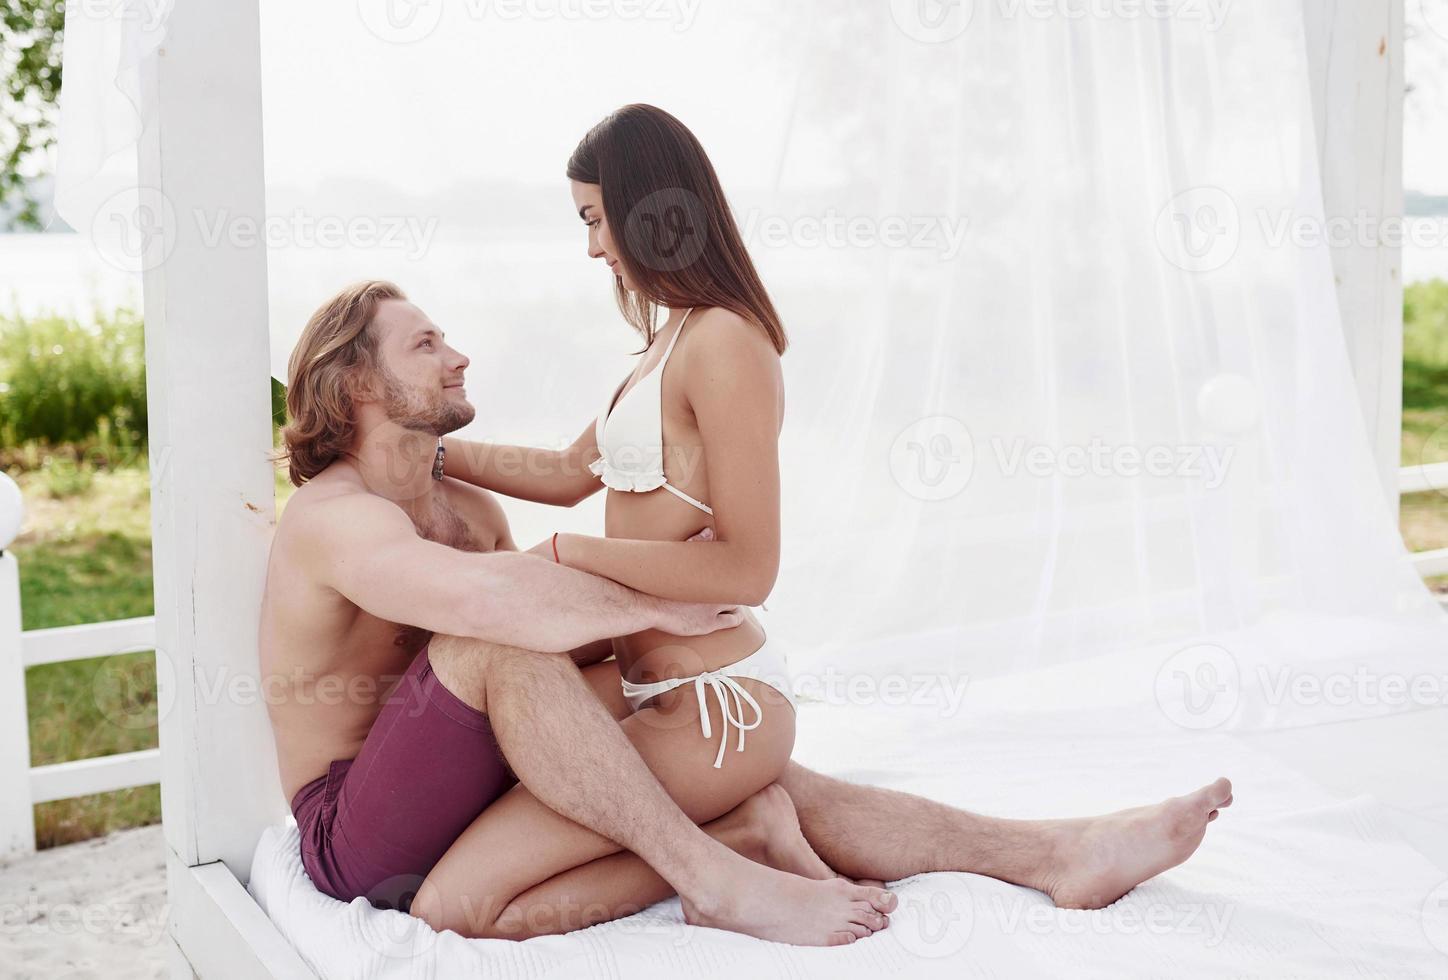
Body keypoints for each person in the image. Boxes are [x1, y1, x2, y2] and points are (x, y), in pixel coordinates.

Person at [259, 276, 1233, 948]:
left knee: (696, 730)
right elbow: (493, 607)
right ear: (355, 381)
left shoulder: (466, 507)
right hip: (362, 833)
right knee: (496, 644)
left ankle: (1053, 849)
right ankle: (713, 864)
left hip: (469, 777)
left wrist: (671, 649)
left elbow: (547, 626)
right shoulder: (333, 520)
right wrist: (656, 605)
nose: (459, 354)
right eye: (426, 343)